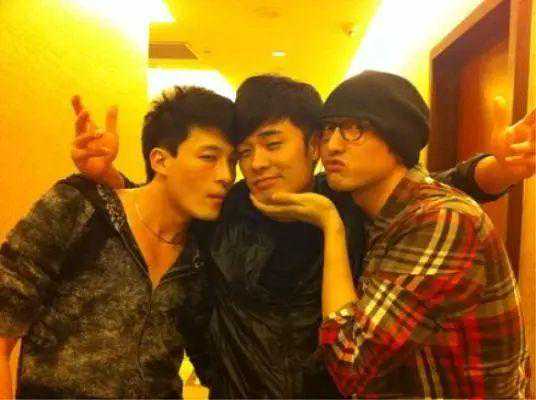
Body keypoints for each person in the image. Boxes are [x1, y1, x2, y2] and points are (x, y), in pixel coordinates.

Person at [73, 74, 535, 398]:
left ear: (310, 147)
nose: (257, 163)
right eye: (244, 152)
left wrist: (497, 170)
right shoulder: (230, 207)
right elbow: (166, 208)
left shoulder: (352, 201)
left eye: (273, 144)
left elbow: (424, 196)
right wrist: (109, 178)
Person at [251, 71, 532, 398]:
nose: (333, 145)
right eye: (328, 130)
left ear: (397, 139)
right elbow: (455, 179)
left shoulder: (440, 219)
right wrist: (498, 171)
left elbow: (350, 364)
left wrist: (330, 223)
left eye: (353, 129)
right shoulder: (379, 206)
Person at [0, 86, 236, 398]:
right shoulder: (79, 207)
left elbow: (215, 360)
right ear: (160, 160)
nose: (226, 175)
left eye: (232, 161)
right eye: (209, 157)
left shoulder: (202, 253)